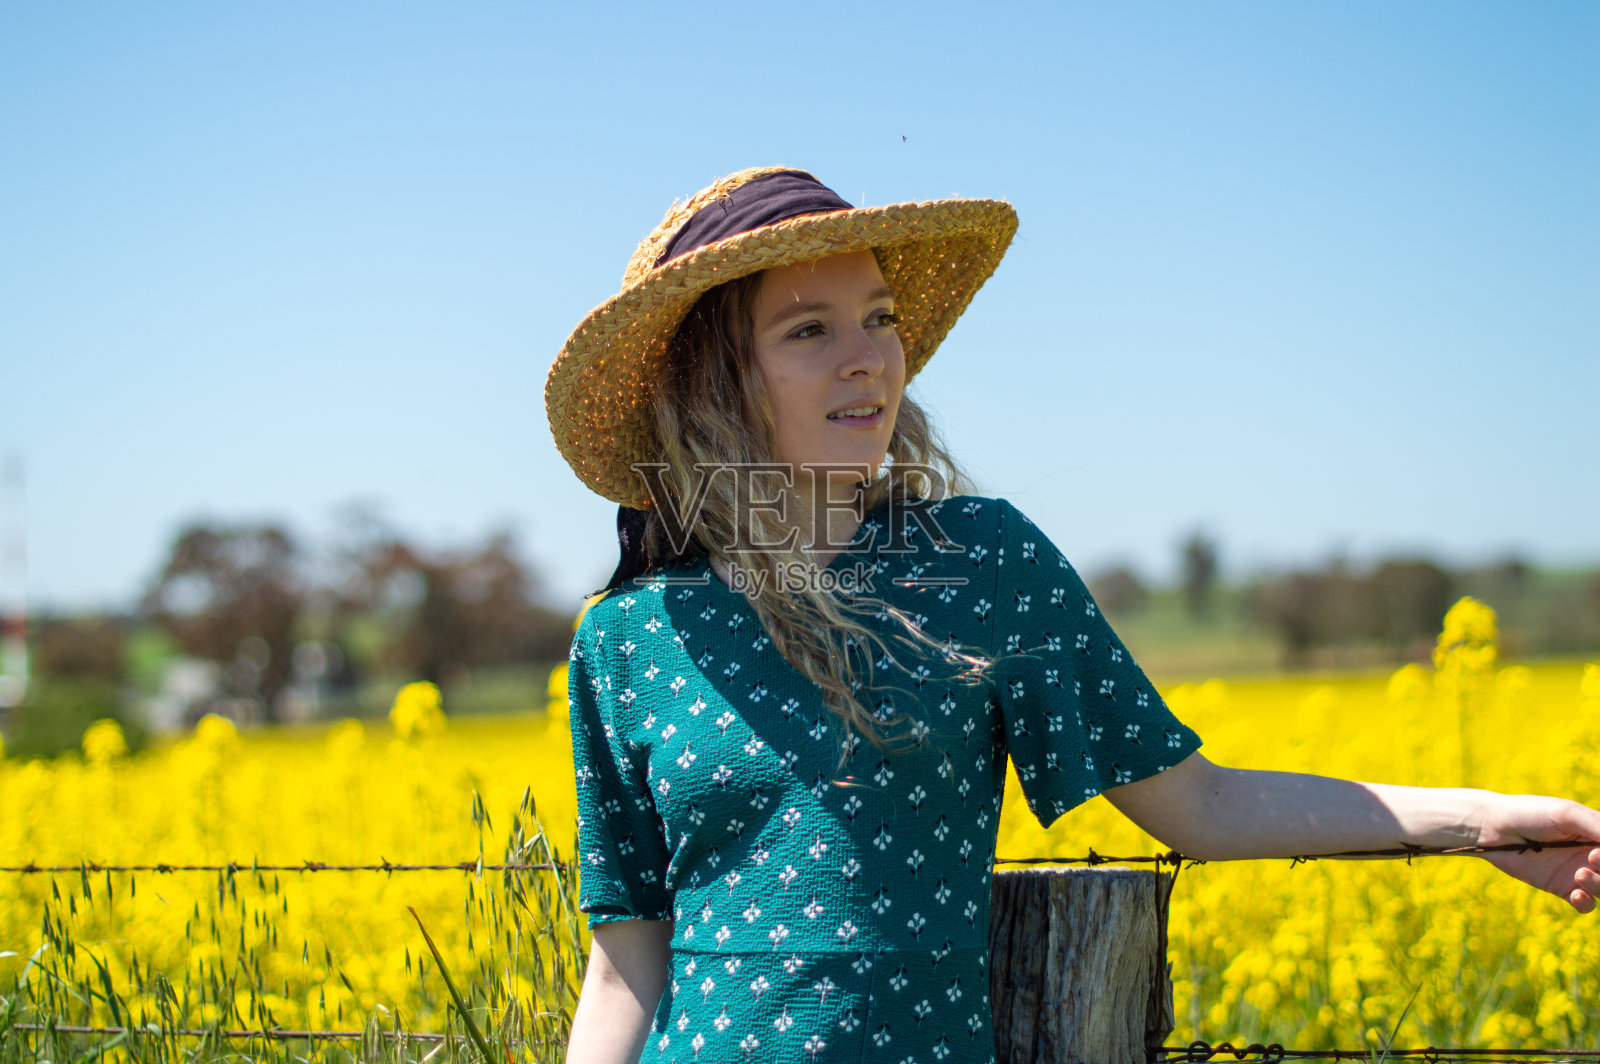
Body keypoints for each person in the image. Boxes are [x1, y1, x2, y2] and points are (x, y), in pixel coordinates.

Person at [545, 167, 1600, 1064]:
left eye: (878, 317)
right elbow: (625, 965)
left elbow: (1204, 807)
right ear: (713, 379)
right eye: (807, 330)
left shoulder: (982, 562)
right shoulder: (631, 637)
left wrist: (1483, 819)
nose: (866, 356)